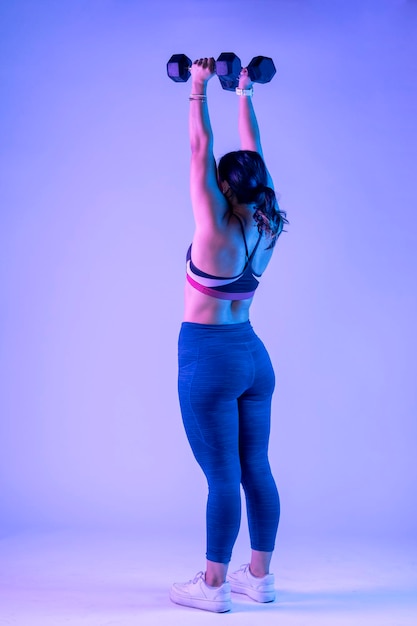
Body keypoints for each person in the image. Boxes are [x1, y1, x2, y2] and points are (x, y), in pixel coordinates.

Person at [170, 57, 288, 613]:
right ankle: (258, 578)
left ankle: (214, 588)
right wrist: (242, 93)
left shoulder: (214, 226)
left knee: (222, 477)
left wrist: (197, 87)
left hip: (209, 360)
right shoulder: (268, 223)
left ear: (224, 186)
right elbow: (255, 160)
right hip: (252, 357)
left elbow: (200, 151)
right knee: (255, 469)